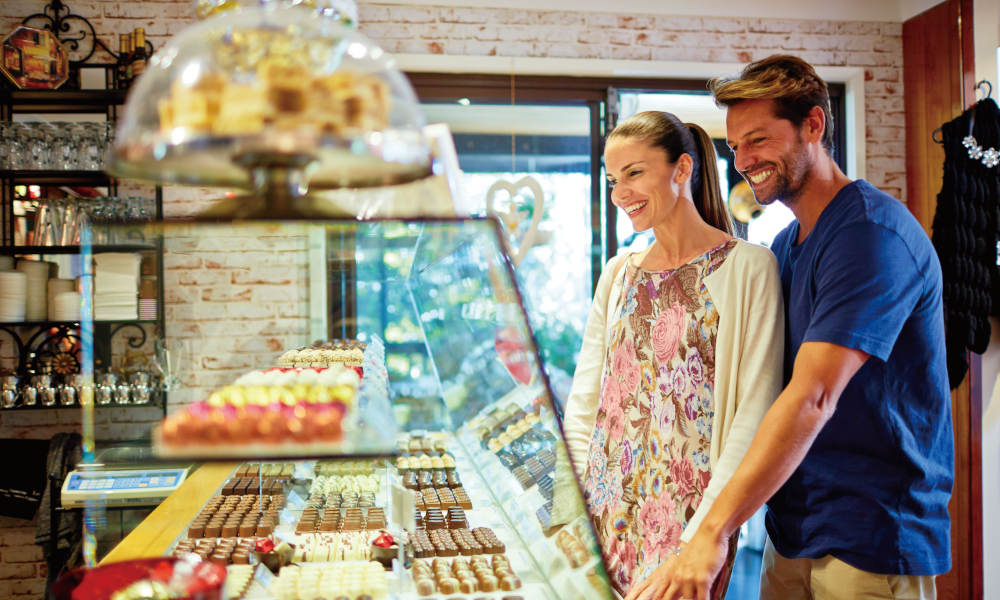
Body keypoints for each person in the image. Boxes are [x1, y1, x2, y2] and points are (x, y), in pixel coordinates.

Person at [625, 55, 952, 600]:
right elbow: (754, 387)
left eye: (758, 139)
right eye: (734, 148)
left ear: (814, 126)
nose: (744, 161)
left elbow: (813, 396)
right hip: (794, 529)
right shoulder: (784, 247)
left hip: (870, 534)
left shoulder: (870, 234)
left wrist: (713, 531)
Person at [562, 110, 784, 599]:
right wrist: (568, 513)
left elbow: (753, 413)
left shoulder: (749, 267)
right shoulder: (619, 273)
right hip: (603, 511)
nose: (621, 193)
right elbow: (586, 403)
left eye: (635, 173)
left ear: (682, 169)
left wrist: (707, 535)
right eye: (613, 179)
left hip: (688, 524)